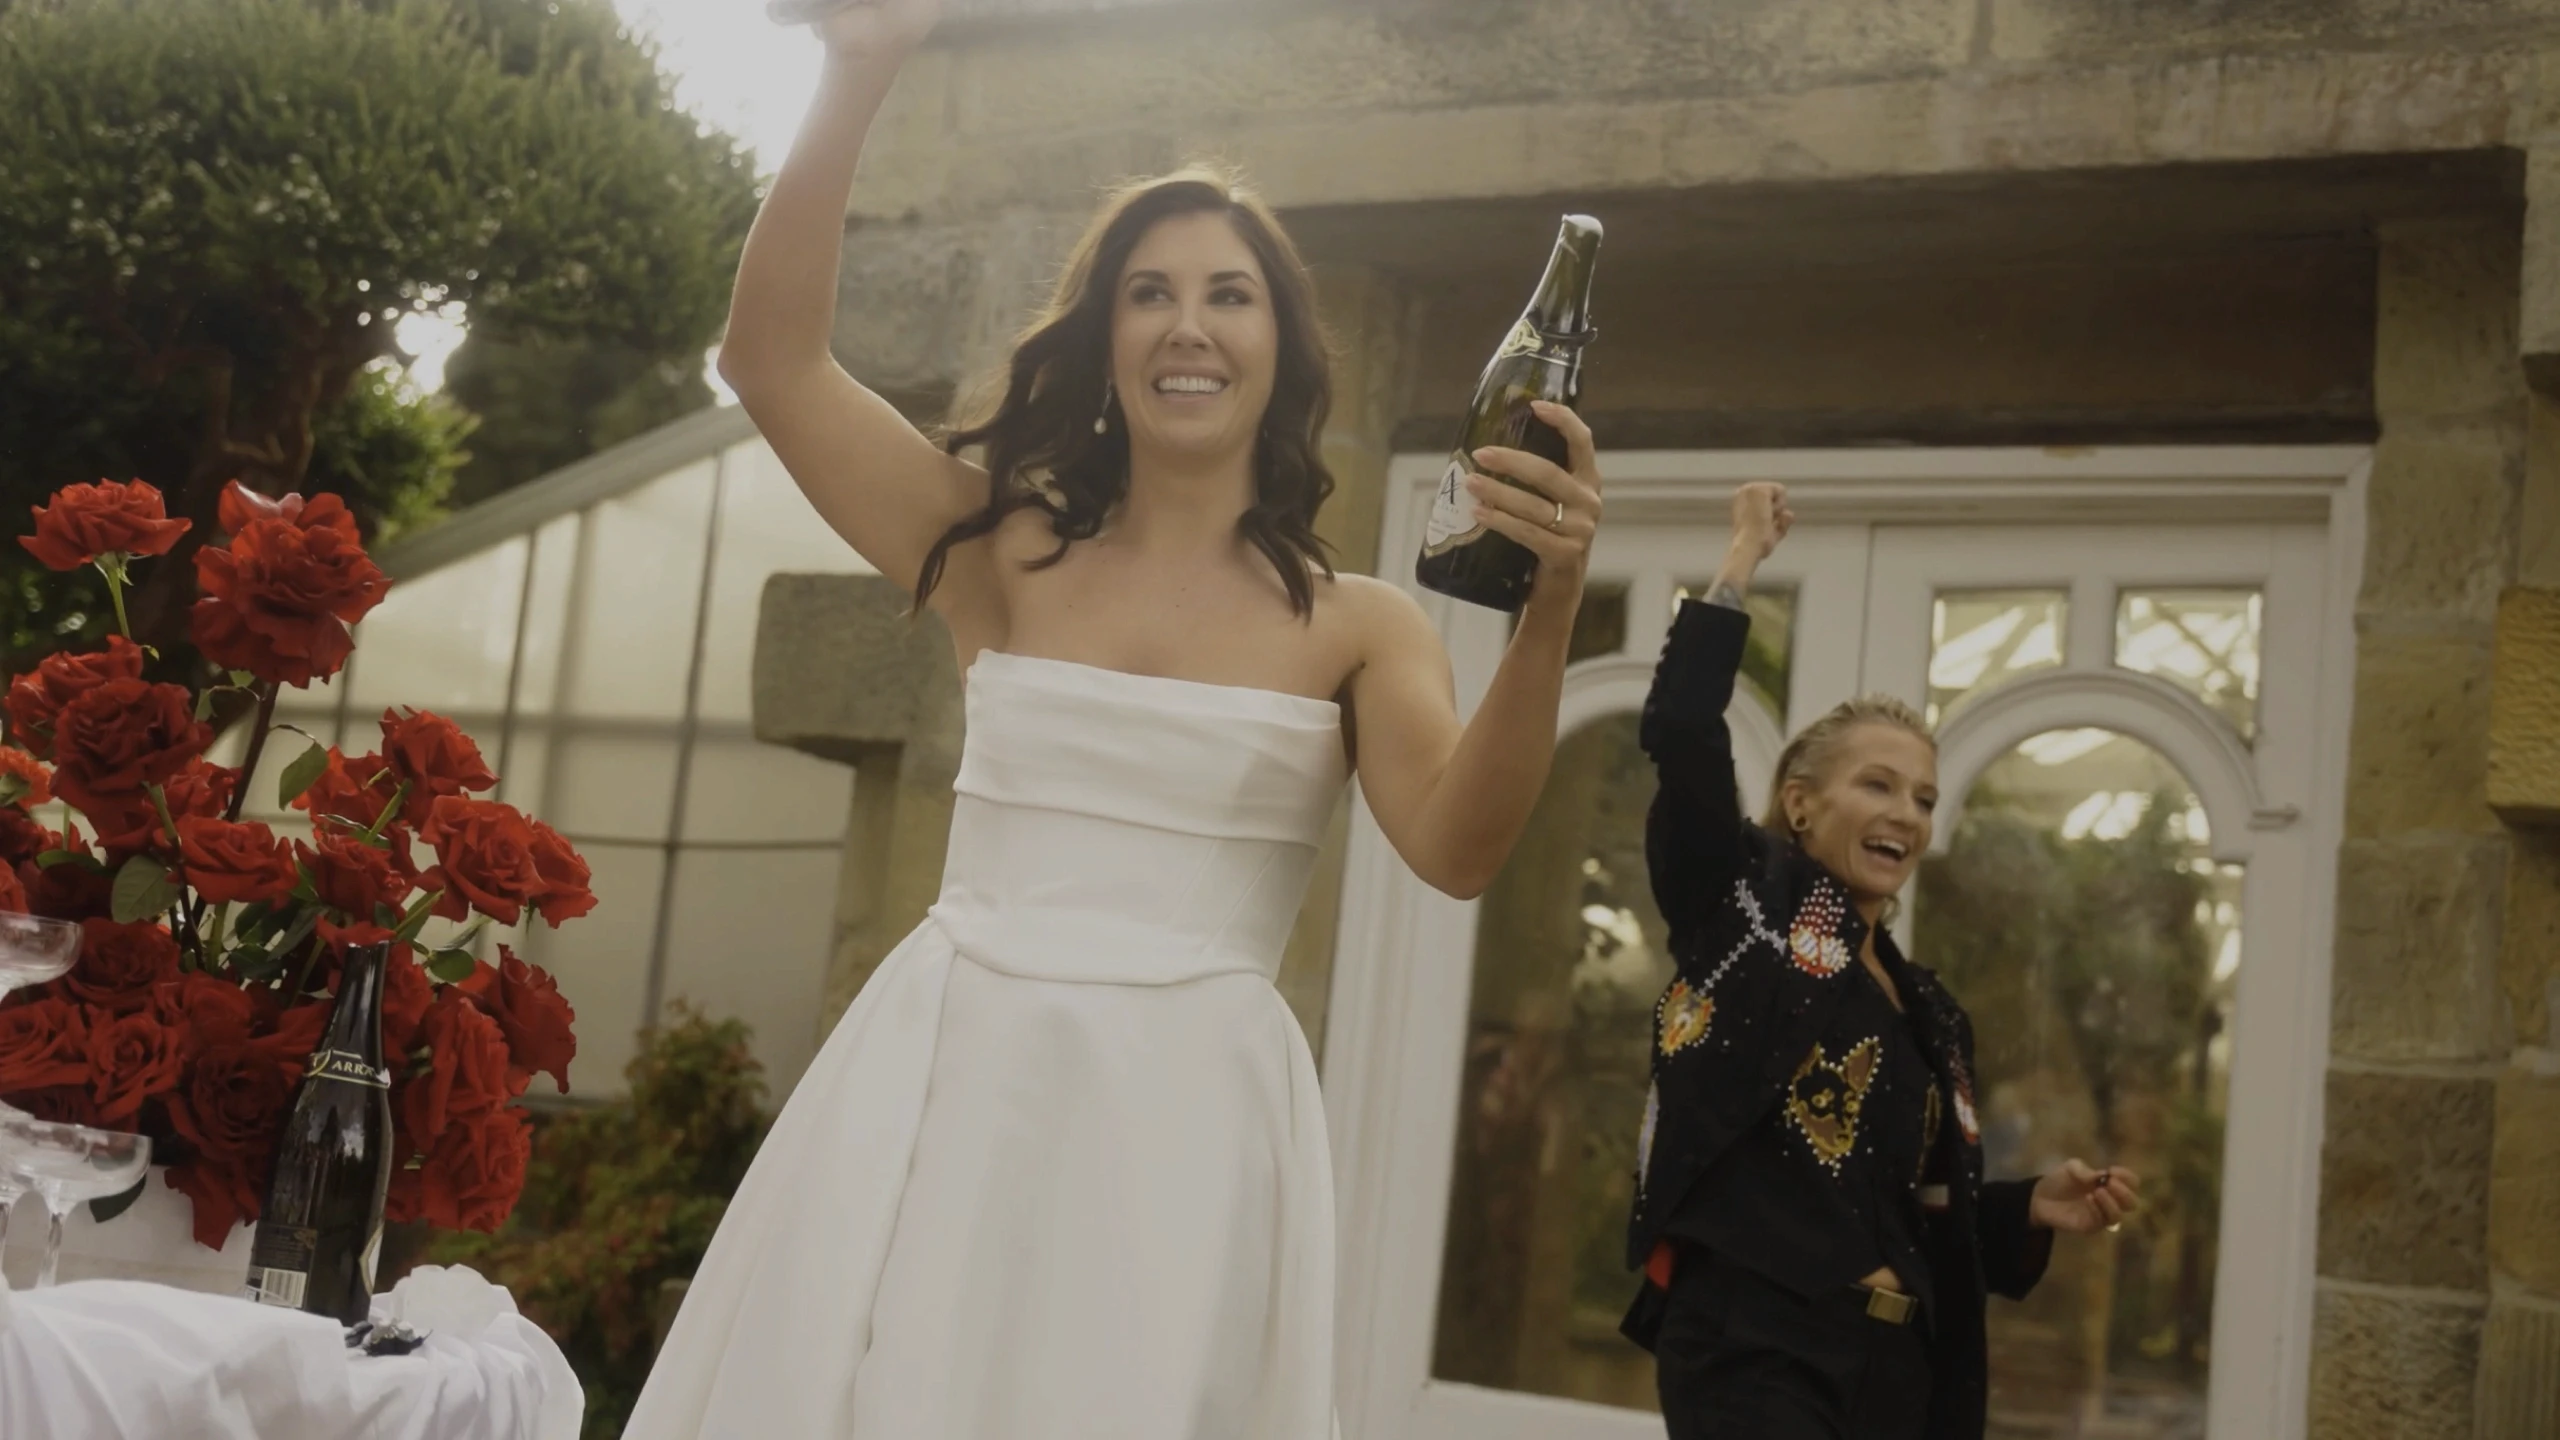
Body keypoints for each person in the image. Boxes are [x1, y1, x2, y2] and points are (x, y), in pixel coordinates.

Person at [622, 2, 1603, 1436]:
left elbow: (1457, 849)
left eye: (1228, 293)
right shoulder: (998, 555)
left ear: (1282, 346)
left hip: (1186, 1127)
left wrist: (1558, 606)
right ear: (1106, 337)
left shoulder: (1363, 627)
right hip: (947, 1084)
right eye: (1150, 292)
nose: (1188, 323)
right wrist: (862, 66)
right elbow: (773, 364)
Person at [1617, 482, 2141, 1440]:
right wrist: (1741, 559)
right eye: (1878, 784)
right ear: (1802, 803)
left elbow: (1914, 1204)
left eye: (1926, 798)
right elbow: (1685, 731)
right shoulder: (1736, 909)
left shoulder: (1928, 1009)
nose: (1907, 813)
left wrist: (2030, 1210)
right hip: (1756, 1349)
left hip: (1900, 1370)